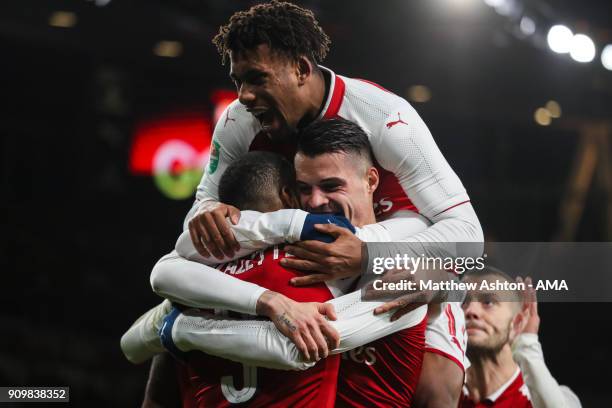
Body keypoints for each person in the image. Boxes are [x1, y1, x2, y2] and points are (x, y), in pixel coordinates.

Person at [155, 2, 483, 405]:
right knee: (164, 369)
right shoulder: (238, 120)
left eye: (257, 78)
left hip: (391, 266)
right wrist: (210, 215)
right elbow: (202, 205)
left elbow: (468, 236)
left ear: (301, 70)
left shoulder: (385, 116)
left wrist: (367, 254)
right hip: (297, 263)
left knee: (434, 390)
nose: (244, 96)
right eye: (238, 80)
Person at [124, 144, 429, 406]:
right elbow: (299, 348)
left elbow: (133, 343)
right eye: (304, 190)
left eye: (331, 186)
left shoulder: (196, 279)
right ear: (290, 196)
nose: (315, 203)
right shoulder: (316, 260)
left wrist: (179, 329)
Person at [460, 268, 581, 408]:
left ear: (517, 322)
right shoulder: (436, 391)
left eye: (488, 302)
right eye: (463, 302)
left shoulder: (555, 398)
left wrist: (527, 343)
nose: (470, 311)